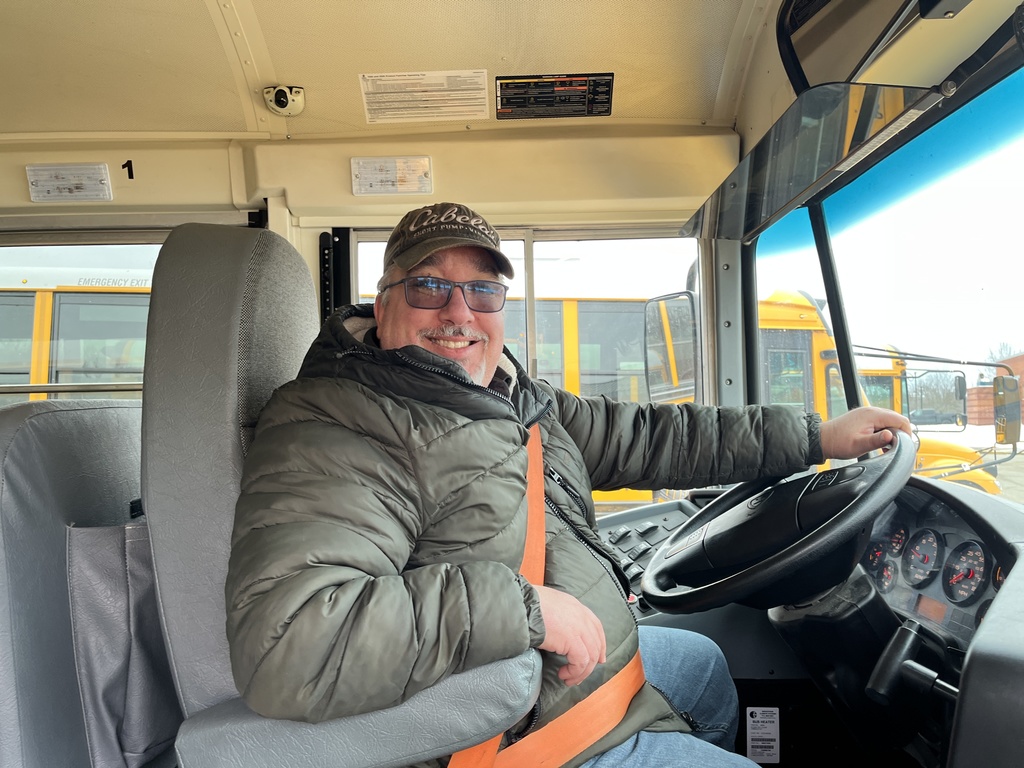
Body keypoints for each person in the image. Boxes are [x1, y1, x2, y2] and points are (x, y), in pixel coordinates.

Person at [225, 201, 912, 768]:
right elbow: (289, 644)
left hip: (563, 680)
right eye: (429, 287)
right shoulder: (335, 424)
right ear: (383, 303)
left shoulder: (515, 400)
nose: (459, 312)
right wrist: (526, 609)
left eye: (483, 290)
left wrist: (816, 437)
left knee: (702, 665)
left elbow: (653, 436)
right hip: (506, 731)